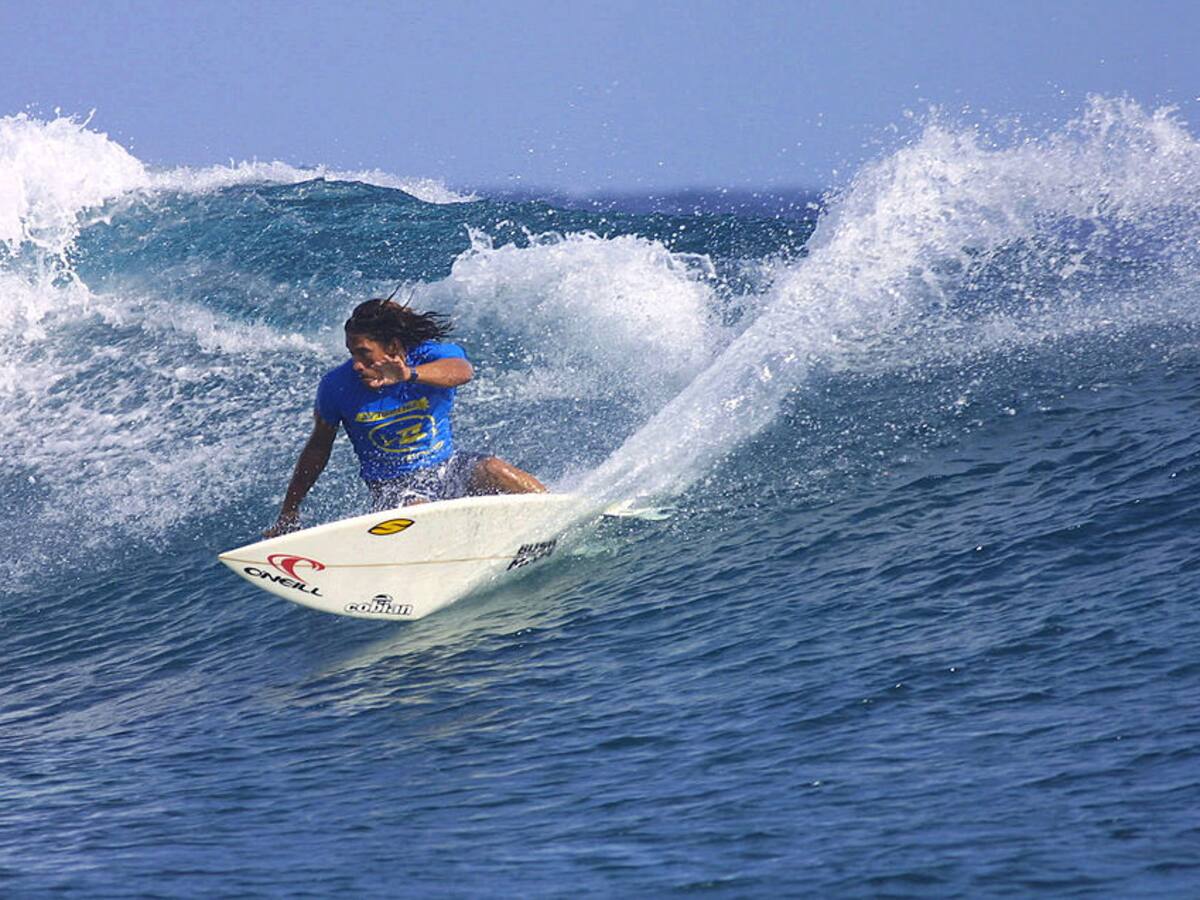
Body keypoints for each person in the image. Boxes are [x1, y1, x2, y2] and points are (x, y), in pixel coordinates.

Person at [264, 298, 545, 537]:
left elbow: (462, 372)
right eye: (352, 354)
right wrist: (290, 510)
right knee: (419, 512)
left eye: (364, 353)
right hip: (393, 488)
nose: (357, 364)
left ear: (393, 346)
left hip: (449, 467)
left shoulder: (430, 357)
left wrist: (408, 375)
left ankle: (553, 518)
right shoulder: (336, 386)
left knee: (495, 469)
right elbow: (318, 448)